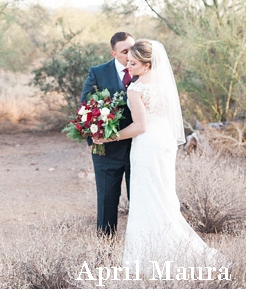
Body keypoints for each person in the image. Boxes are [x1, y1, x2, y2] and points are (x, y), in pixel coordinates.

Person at [92, 40, 224, 268]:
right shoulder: (165, 84)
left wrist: (108, 137)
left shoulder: (136, 88)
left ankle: (147, 257)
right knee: (162, 195)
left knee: (147, 198)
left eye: (133, 63)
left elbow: (140, 127)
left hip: (146, 145)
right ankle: (169, 246)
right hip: (165, 143)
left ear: (146, 64)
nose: (128, 66)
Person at [80, 31, 135, 235]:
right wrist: (93, 138)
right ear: (114, 54)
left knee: (139, 202)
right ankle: (105, 252)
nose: (130, 55)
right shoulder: (98, 72)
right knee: (106, 202)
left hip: (138, 147)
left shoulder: (144, 69)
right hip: (106, 150)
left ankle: (139, 247)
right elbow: (84, 106)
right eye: (124, 51)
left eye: (133, 48)